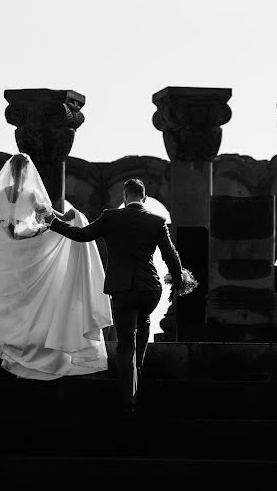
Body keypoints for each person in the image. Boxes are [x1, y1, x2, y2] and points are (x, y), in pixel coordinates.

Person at [0, 153, 113, 380]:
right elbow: (53, 219)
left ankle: (7, 339)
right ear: (27, 172)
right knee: (27, 296)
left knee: (0, 293)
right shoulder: (32, 195)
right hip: (26, 247)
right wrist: (73, 216)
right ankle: (27, 340)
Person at [45, 178, 183, 415]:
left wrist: (52, 223)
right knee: (144, 320)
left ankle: (127, 401)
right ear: (145, 197)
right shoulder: (157, 221)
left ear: (125, 196)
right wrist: (178, 284)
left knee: (125, 344)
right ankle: (138, 369)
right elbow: (171, 257)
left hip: (122, 289)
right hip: (150, 288)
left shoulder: (111, 217)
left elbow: (81, 235)